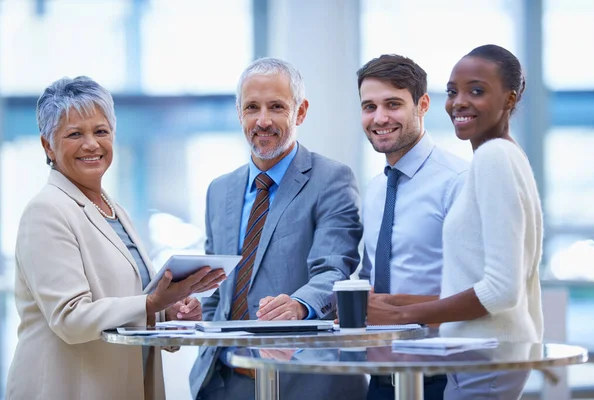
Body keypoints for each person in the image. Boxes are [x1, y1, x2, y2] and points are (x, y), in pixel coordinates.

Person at [6, 76, 226, 400]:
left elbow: (127, 298)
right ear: (47, 145)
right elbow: (71, 317)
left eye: (101, 131)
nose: (92, 144)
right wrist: (152, 304)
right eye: (74, 134)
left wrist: (171, 312)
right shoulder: (46, 211)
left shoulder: (113, 209)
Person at [368, 44, 544, 399]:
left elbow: (501, 289)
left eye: (476, 91)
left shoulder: (493, 157)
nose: (459, 102)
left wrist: (403, 318)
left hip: (484, 355)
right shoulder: (502, 155)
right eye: (453, 92)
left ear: (509, 99)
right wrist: (392, 305)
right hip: (479, 354)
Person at [189, 57, 367, 400]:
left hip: (304, 381)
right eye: (252, 107)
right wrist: (196, 306)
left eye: (276, 107)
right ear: (239, 112)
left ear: (300, 112)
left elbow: (336, 271)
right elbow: (216, 283)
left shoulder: (332, 179)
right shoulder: (219, 189)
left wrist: (300, 304)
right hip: (223, 381)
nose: (263, 120)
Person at [356, 54, 469, 400]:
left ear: (422, 105)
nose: (379, 118)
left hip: (443, 378)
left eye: (393, 104)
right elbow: (370, 279)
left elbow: (481, 295)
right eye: (369, 106)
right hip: (380, 377)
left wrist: (394, 311)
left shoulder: (459, 182)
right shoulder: (375, 189)